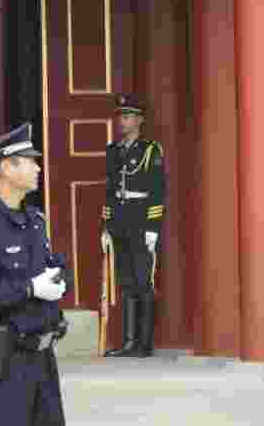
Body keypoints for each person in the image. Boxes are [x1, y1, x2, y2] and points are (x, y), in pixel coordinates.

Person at [0, 122, 69, 426]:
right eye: (30, 161)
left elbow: (55, 265)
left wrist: (60, 281)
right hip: (6, 361)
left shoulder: (34, 220)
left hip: (43, 358)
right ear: (7, 168)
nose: (37, 168)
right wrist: (32, 288)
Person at [100, 94, 165, 358]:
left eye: (127, 116)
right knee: (125, 281)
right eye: (120, 116)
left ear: (140, 120)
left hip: (141, 218)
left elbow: (158, 191)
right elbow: (109, 190)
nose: (122, 121)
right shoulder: (113, 150)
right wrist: (106, 224)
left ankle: (144, 343)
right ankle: (128, 342)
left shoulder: (151, 150)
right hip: (120, 218)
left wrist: (153, 226)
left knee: (143, 280)